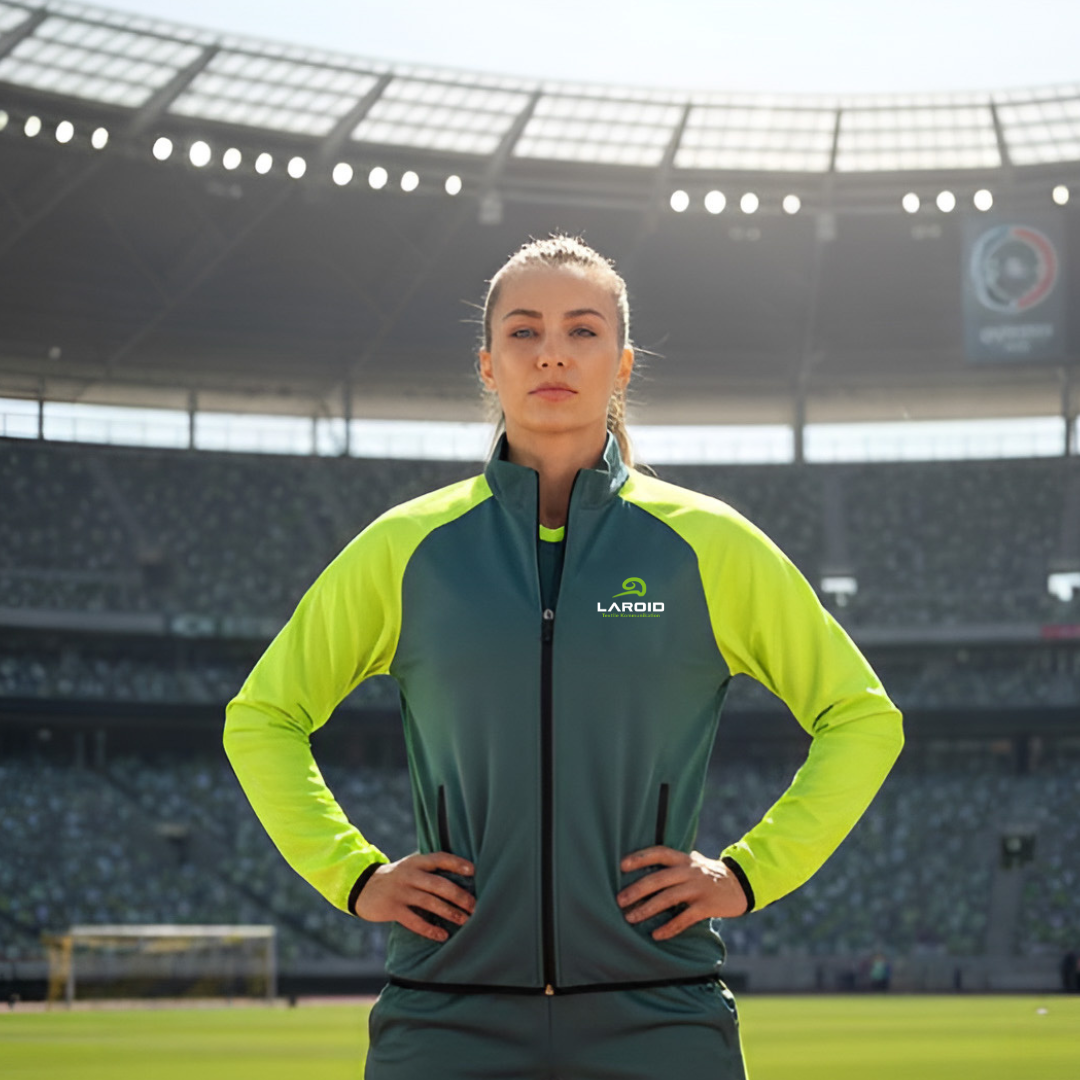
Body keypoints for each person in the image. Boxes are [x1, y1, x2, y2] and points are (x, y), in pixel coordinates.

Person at [223, 234, 905, 1079]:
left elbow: (862, 718)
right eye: (522, 331)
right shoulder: (406, 547)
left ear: (622, 364)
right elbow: (262, 718)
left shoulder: (709, 544)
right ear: (487, 365)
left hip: (660, 1007)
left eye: (583, 330)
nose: (552, 350)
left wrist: (747, 873)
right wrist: (355, 877)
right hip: (446, 1015)